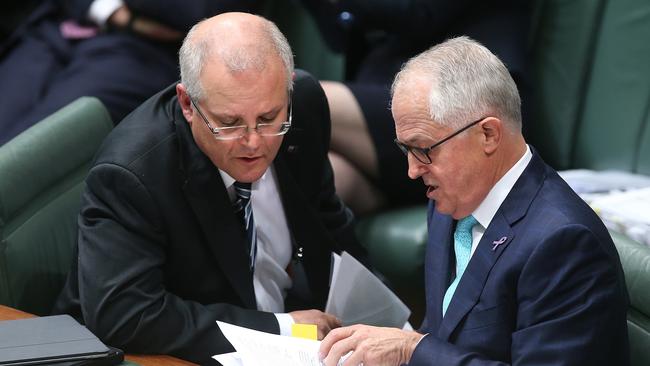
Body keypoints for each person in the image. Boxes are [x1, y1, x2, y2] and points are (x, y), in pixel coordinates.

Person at [53, 12, 366, 364]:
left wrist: (376, 316)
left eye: (267, 118)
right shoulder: (132, 174)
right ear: (187, 104)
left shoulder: (304, 103)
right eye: (229, 123)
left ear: (288, 86)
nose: (253, 143)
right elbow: (127, 314)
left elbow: (327, 219)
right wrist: (282, 328)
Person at [319, 37, 630, 366]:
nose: (412, 170)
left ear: (488, 135)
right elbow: (446, 334)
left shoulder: (564, 244)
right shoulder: (448, 203)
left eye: (424, 149)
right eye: (405, 149)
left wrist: (411, 350)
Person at [301, 0, 530, 215]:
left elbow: (418, 13)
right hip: (382, 100)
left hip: (463, 97)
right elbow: (338, 36)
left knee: (299, 97)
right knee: (301, 175)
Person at [0, 0, 262, 145]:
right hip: (62, 26)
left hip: (144, 54)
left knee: (18, 159)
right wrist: (114, 12)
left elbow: (196, 11)